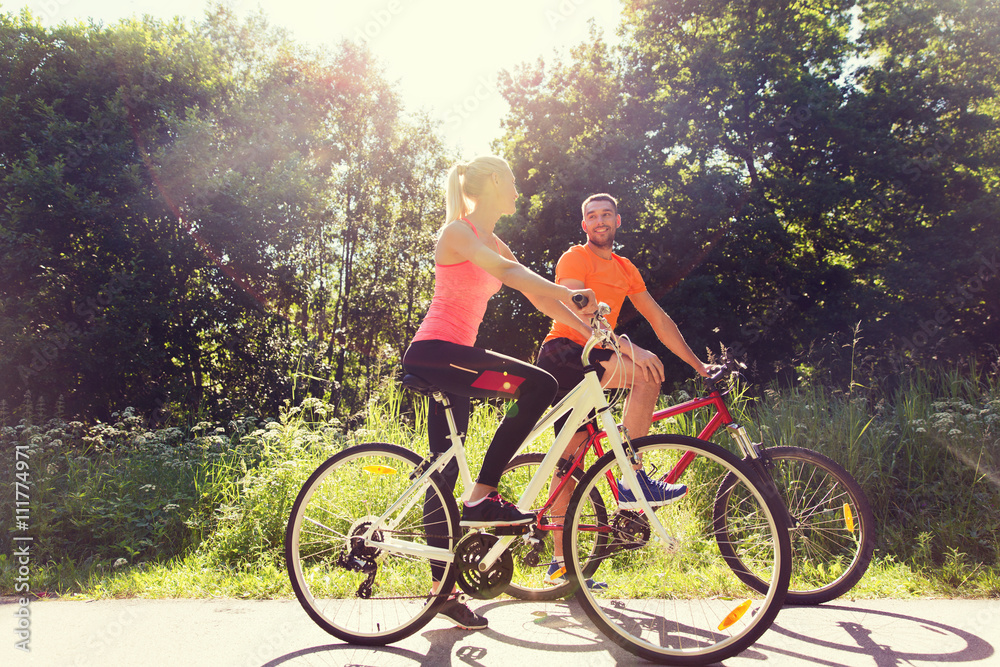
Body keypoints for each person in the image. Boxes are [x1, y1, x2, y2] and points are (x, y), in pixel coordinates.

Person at [401, 156, 597, 630]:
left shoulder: (494, 239)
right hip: (435, 353)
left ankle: (439, 592)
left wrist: (588, 330)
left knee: (442, 468)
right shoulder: (458, 234)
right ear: (492, 182)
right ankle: (482, 497)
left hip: (454, 360)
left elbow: (536, 295)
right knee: (540, 384)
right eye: (511, 181)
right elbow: (508, 275)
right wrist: (571, 294)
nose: (516, 190)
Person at [535, 192, 712, 588]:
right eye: (591, 216)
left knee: (570, 462)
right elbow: (579, 308)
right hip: (567, 351)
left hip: (595, 353)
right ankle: (632, 480)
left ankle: (559, 566)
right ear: (584, 225)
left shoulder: (625, 267)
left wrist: (699, 364)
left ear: (618, 221)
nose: (599, 221)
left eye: (606, 215)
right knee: (647, 374)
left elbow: (659, 319)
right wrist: (630, 347)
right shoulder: (574, 258)